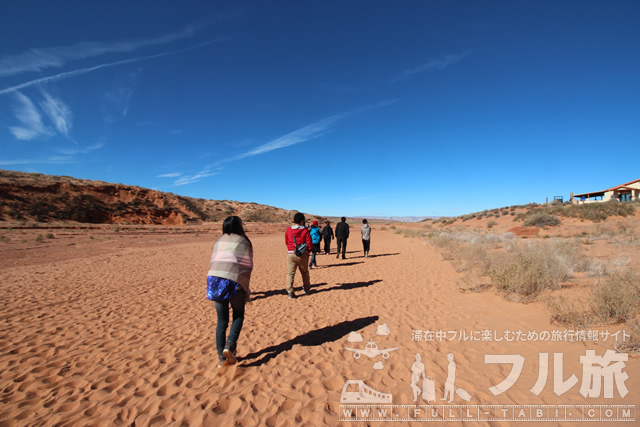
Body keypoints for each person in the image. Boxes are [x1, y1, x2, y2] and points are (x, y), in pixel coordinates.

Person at [206, 216, 253, 368]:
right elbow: (247, 266)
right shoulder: (243, 241)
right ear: (239, 226)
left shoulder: (219, 241)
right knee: (238, 315)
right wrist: (245, 286)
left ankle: (221, 358)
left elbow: (214, 262)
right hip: (233, 282)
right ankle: (230, 346)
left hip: (214, 281)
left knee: (221, 322)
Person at [285, 212, 313, 299]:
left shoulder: (289, 230)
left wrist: (290, 249)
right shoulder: (305, 231)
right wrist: (308, 252)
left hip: (290, 254)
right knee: (304, 272)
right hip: (302, 255)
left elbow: (286, 241)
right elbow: (309, 243)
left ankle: (290, 292)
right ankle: (306, 288)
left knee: (290, 274)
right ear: (301, 221)